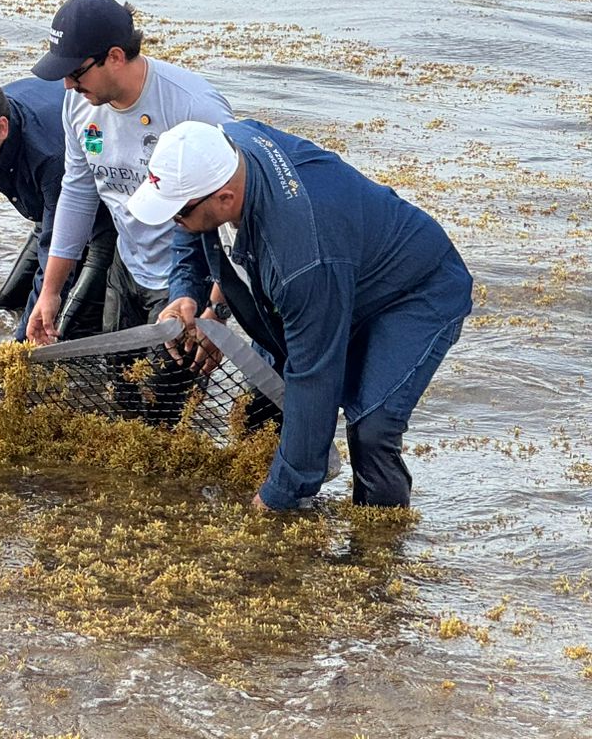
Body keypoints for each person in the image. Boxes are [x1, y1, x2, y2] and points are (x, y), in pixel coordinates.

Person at [128, 119, 472, 510]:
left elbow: (313, 378)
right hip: (335, 268)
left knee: (372, 430)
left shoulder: (300, 257)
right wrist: (192, 296)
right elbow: (194, 228)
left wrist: (277, 499)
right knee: (264, 402)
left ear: (225, 199)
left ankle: (378, 548)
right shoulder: (221, 146)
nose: (175, 220)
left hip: (413, 290)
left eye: (178, 212)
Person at [26, 0, 236, 347]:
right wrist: (50, 291)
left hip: (185, 275)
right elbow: (78, 192)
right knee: (118, 384)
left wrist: (217, 311)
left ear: (116, 57)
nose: (67, 85)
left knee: (164, 394)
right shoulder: (78, 104)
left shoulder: (194, 106)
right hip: (127, 266)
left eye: (75, 72)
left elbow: (236, 216)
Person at [0, 68, 114, 342]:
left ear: (1, 128)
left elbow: (60, 244)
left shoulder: (50, 154)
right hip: (49, 204)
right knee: (6, 302)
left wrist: (19, 352)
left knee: (62, 330)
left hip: (103, 212)